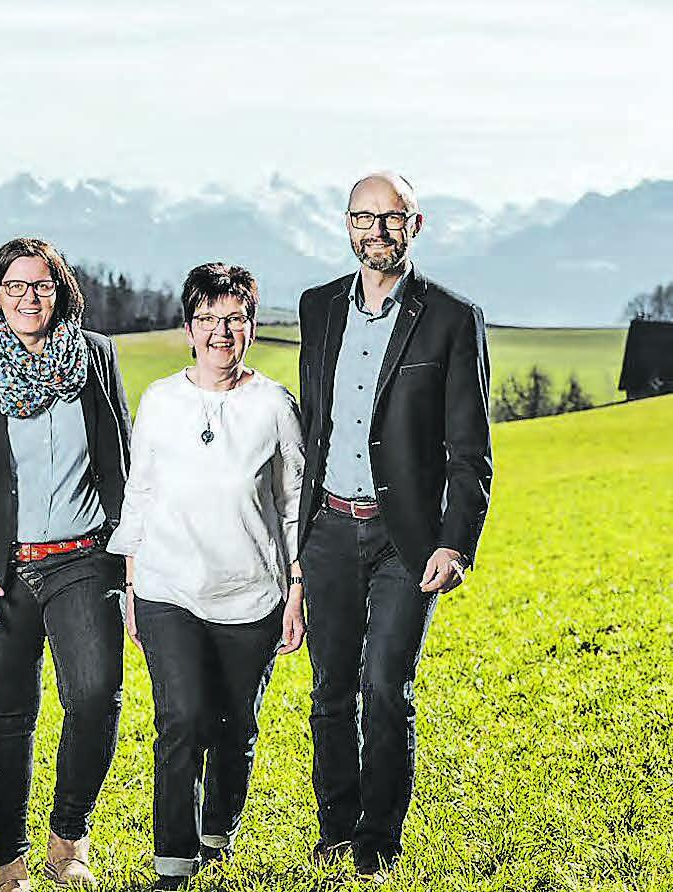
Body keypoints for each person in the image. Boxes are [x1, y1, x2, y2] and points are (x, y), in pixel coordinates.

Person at [297, 173, 492, 878]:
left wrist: (455, 542)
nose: (375, 230)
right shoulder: (318, 306)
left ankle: (376, 841)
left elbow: (469, 449)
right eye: (362, 217)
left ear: (415, 223)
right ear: (346, 224)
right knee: (330, 690)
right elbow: (313, 423)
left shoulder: (451, 317)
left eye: (390, 217)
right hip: (325, 528)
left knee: (385, 686)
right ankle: (335, 830)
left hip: (403, 539)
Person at [0, 237, 131, 892]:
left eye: (41, 285)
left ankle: (68, 837)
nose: (28, 297)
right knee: (8, 715)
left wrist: (128, 554)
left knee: (95, 695)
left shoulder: (95, 355)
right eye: (14, 286)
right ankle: (7, 861)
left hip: (83, 558)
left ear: (60, 291)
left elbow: (120, 459)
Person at [108, 263, 307, 890]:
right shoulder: (160, 401)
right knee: (183, 719)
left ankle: (217, 829)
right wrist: (133, 584)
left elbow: (293, 504)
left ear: (252, 327)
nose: (221, 331)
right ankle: (173, 861)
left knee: (234, 726)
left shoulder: (274, 406)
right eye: (208, 319)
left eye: (234, 319)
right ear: (188, 329)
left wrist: (297, 589)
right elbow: (139, 494)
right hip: (168, 588)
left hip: (252, 593)